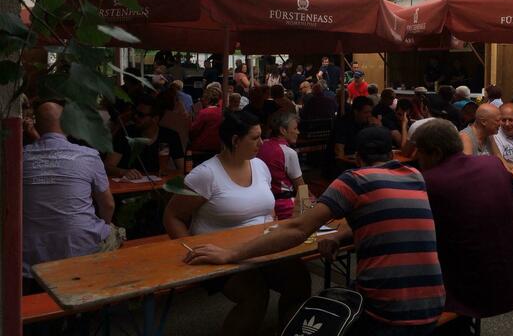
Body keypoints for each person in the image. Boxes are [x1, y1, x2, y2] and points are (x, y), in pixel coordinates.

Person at [184, 127, 446, 335]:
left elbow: (298, 229)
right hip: (433, 302)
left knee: (327, 304)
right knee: (302, 281)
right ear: (392, 154)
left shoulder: (354, 180)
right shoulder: (415, 177)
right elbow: (380, 219)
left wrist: (230, 254)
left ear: (357, 158)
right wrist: (340, 235)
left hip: (387, 310)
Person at [163, 111, 310, 335]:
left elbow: (266, 206)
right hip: (221, 254)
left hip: (260, 248)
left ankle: (287, 331)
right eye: (255, 138)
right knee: (255, 295)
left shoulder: (259, 166)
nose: (262, 143)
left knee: (299, 281)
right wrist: (192, 250)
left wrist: (272, 225)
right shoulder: (206, 175)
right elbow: (172, 216)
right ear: (235, 140)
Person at [414, 119, 513, 318]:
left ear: (436, 153)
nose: (416, 157)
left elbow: (421, 234)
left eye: (420, 152)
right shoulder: (493, 164)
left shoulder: (428, 182)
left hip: (469, 287)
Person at [23, 102, 124, 292]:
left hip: (30, 253)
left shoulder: (19, 158)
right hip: (80, 248)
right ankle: (105, 291)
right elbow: (108, 205)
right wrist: (103, 225)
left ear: (36, 126)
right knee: (114, 232)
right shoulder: (88, 156)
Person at [105, 94, 184, 178]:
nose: (135, 116)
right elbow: (107, 166)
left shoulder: (170, 136)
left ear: (155, 119)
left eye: (141, 115)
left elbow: (182, 168)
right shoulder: (125, 133)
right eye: (135, 113)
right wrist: (123, 172)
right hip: (129, 184)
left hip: (158, 183)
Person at [257, 112, 304, 220]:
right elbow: (301, 188)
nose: (298, 132)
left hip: (263, 203)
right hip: (284, 207)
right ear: (283, 130)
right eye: (295, 128)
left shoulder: (261, 145)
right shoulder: (289, 153)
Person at [190, 87, 223, 156]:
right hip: (218, 146)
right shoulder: (222, 111)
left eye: (203, 98)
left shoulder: (204, 112)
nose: (201, 100)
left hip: (203, 147)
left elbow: (194, 130)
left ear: (208, 99)